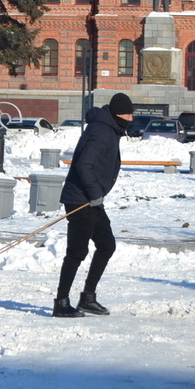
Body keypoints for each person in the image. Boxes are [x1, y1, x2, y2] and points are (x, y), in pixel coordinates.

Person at [54, 92, 135, 317]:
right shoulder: (102, 132)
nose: (132, 119)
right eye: (129, 114)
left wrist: (96, 196)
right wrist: (94, 194)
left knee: (106, 245)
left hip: (91, 200)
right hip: (81, 200)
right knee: (76, 253)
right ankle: (61, 303)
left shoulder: (107, 129)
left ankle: (88, 297)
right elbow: (84, 166)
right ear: (119, 115)